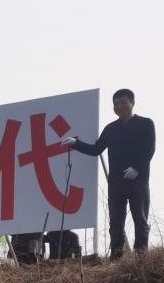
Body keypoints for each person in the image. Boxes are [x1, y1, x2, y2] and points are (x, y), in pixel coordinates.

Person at [63, 88, 156, 258]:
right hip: (116, 183)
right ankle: (116, 256)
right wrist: (75, 144)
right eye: (116, 104)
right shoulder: (111, 128)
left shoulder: (146, 124)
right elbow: (96, 149)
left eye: (123, 102)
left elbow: (149, 150)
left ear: (132, 103)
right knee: (115, 223)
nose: (119, 106)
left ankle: (141, 256)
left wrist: (137, 168)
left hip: (139, 181)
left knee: (140, 220)